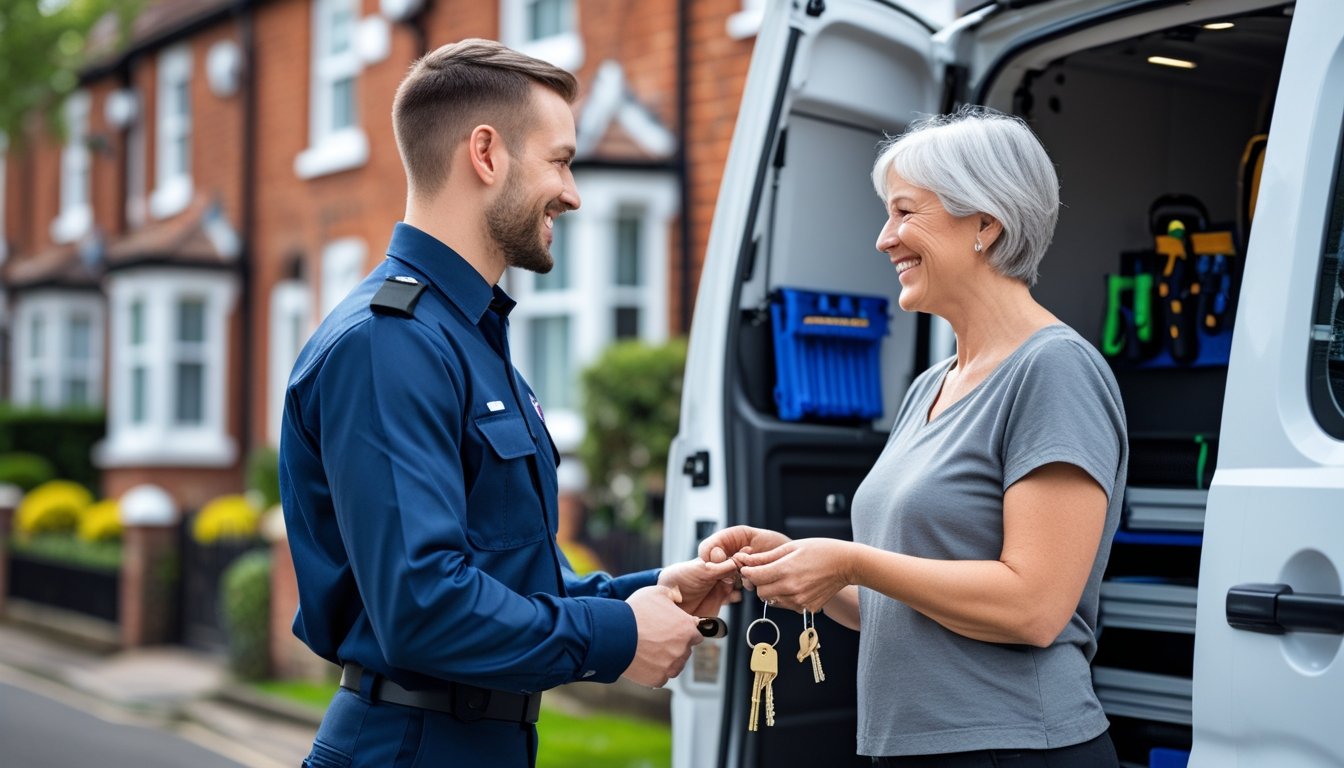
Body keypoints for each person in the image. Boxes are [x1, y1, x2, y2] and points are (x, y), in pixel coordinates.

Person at [278, 38, 738, 768]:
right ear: (486, 154)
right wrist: (617, 639)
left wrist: (646, 593)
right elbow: (423, 607)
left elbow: (503, 570)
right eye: (559, 161)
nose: (573, 192)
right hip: (410, 747)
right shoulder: (388, 343)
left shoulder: (463, 334)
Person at [701, 107, 1127, 767]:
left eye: (905, 213)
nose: (884, 239)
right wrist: (791, 561)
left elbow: (1034, 607)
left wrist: (850, 560)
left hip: (1011, 748)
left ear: (986, 224)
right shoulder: (930, 387)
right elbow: (899, 608)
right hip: (913, 748)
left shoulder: (1054, 370)